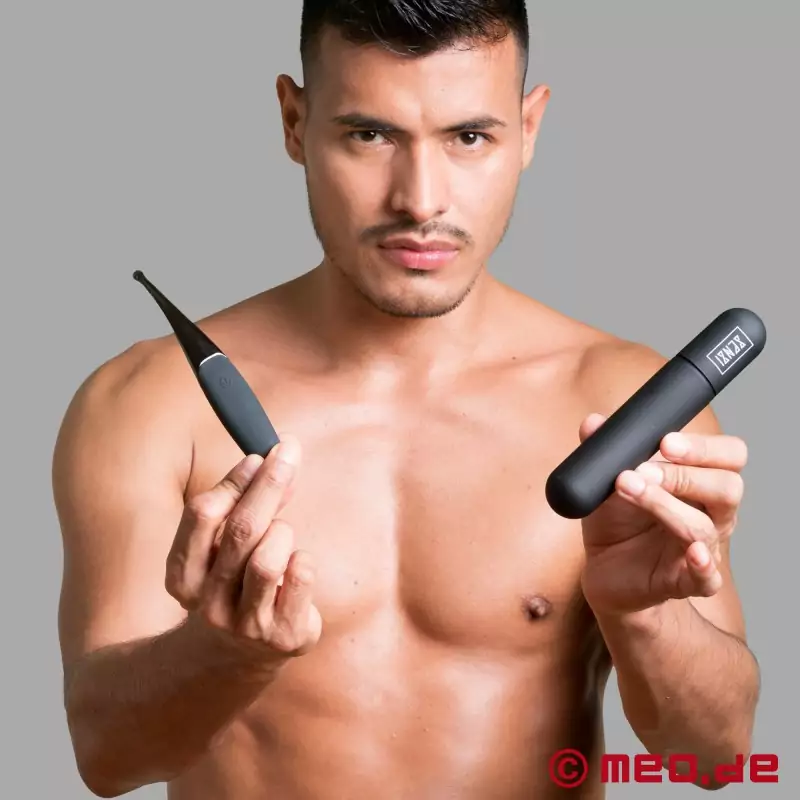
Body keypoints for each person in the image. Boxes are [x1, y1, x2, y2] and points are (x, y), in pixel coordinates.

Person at [51, 2, 761, 797]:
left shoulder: (624, 405)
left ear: (529, 128)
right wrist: (225, 654)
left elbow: (717, 758)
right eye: (369, 135)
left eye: (470, 137)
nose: (421, 201)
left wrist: (646, 616)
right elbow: (106, 758)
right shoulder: (153, 403)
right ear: (294, 121)